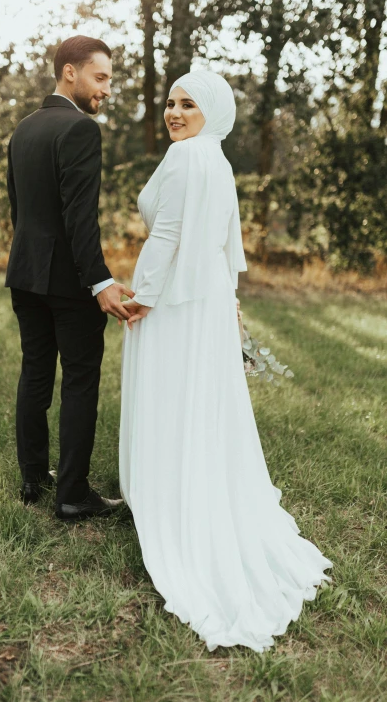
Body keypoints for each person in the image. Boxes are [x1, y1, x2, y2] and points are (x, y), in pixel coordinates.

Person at [119, 70, 332, 652]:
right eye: (169, 102)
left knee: (173, 392)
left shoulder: (190, 158)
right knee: (199, 398)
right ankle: (188, 482)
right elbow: (226, 246)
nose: (174, 112)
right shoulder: (215, 160)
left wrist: (144, 295)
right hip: (207, 297)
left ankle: (170, 497)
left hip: (177, 301)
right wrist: (232, 304)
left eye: (188, 104)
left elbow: (167, 235)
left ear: (212, 110)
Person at [5, 35, 133, 521]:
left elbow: (20, 210)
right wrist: (98, 281)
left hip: (25, 273)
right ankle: (73, 494)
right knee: (80, 379)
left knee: (35, 371)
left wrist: (30, 259)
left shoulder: (24, 129)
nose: (105, 90)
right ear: (70, 73)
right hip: (68, 281)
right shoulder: (80, 130)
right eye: (100, 78)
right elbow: (81, 218)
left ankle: (34, 478)